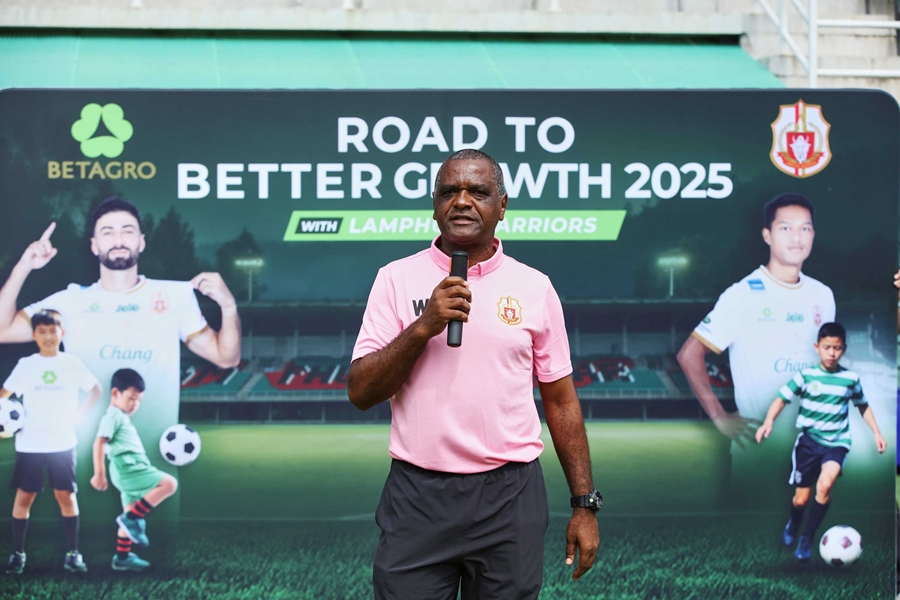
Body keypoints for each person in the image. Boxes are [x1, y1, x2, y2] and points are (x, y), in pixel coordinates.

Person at [348, 149, 600, 600]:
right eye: (449, 191)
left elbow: (561, 401)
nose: (462, 201)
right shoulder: (394, 279)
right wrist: (424, 326)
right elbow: (361, 391)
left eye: (478, 192)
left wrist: (584, 504)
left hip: (510, 496)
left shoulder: (535, 287)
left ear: (502, 207)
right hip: (418, 495)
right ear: (434, 206)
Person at [0, 196, 240, 517]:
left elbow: (226, 357)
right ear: (94, 245)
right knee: (84, 532)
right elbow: (3, 329)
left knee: (152, 540)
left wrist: (228, 305)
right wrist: (23, 266)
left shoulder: (175, 297)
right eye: (107, 232)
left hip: (154, 454)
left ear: (141, 241)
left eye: (127, 231)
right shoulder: (69, 303)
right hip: (83, 460)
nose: (118, 239)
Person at [755, 322, 886, 561]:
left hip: (837, 443)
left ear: (844, 349)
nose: (832, 353)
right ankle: (794, 522)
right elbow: (782, 399)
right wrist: (768, 421)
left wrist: (876, 433)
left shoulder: (850, 379)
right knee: (801, 499)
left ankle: (807, 537)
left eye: (837, 348)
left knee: (825, 486)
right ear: (817, 347)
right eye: (827, 347)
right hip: (808, 443)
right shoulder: (806, 376)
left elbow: (863, 405)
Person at [1, 309, 102, 574]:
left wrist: (80, 414)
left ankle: (73, 554)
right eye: (42, 331)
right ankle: (18, 554)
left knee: (66, 496)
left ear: (62, 333)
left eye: (53, 330)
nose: (48, 336)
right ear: (34, 335)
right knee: (25, 497)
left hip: (62, 443)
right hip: (30, 444)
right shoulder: (26, 365)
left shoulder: (71, 363)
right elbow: (3, 395)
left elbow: (95, 389)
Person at [90, 368, 177, 572]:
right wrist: (99, 473)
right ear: (115, 393)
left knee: (131, 512)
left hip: (130, 467)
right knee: (169, 484)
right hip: (128, 466)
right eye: (131, 398)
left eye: (138, 400)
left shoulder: (120, 416)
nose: (135, 404)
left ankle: (122, 557)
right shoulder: (113, 416)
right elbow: (99, 442)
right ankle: (130, 519)